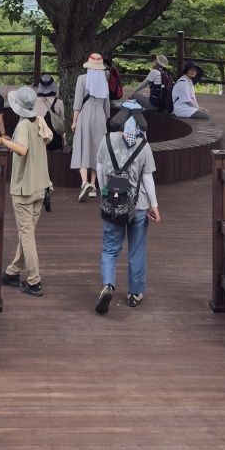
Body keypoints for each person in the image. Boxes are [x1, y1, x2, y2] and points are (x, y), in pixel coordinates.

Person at [0, 86, 52, 297]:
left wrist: (2, 140)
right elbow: (48, 139)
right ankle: (13, 272)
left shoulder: (23, 125)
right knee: (27, 233)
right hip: (40, 186)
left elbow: (22, 149)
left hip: (25, 189)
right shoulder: (39, 120)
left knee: (26, 235)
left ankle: (34, 281)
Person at [95, 108, 160, 313]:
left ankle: (108, 285)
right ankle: (134, 292)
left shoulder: (106, 140)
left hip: (112, 203)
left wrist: (104, 192)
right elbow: (148, 178)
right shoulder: (144, 145)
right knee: (137, 248)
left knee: (110, 247)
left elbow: (99, 169)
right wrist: (154, 205)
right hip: (138, 205)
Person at [71, 52, 111, 200]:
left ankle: (84, 182)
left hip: (85, 115)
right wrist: (105, 119)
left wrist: (74, 121)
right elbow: (107, 105)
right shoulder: (104, 81)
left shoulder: (82, 79)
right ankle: (94, 185)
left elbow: (77, 102)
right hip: (100, 116)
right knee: (97, 149)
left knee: (82, 147)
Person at [35, 73, 66, 152]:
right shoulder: (58, 102)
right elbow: (62, 121)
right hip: (54, 142)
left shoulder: (34, 102)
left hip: (38, 141)